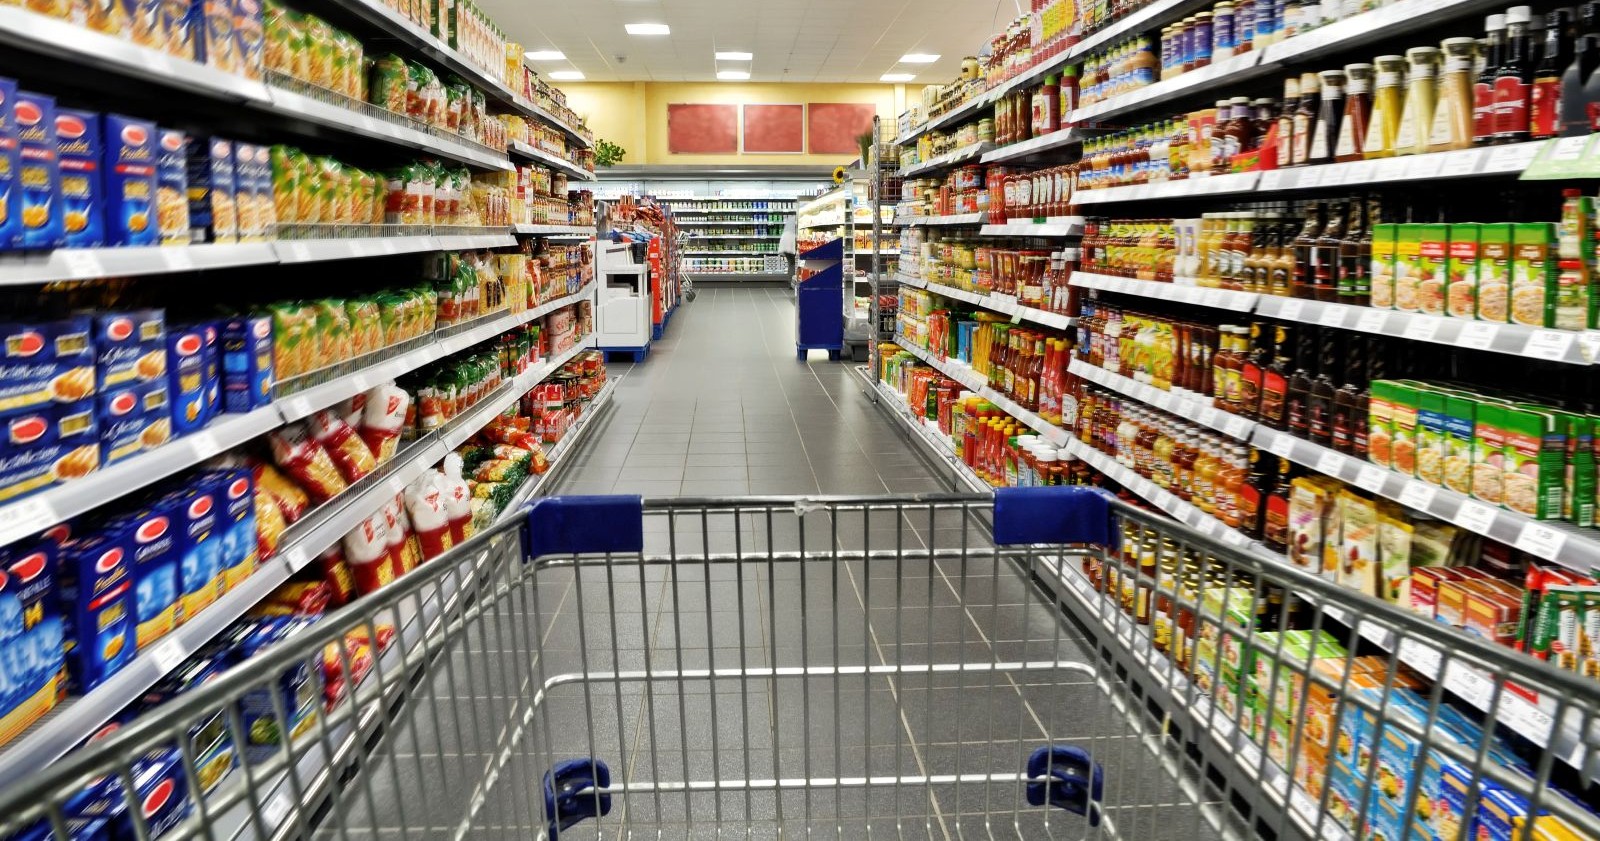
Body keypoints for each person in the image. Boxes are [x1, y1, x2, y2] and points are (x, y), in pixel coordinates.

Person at [778, 212, 798, 277]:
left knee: (790, 263)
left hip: (785, 247)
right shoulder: (796, 220)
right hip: (789, 247)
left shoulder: (790, 221)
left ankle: (790, 280)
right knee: (793, 263)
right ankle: (792, 280)